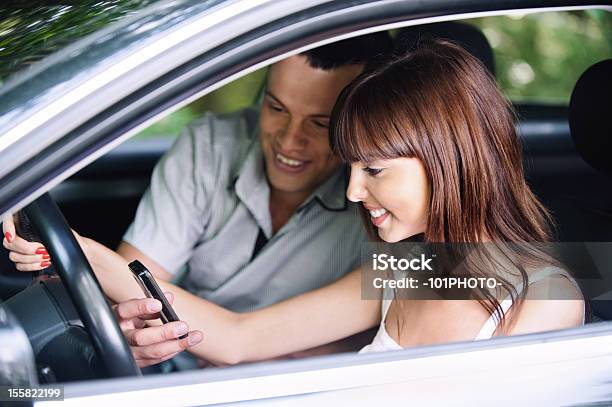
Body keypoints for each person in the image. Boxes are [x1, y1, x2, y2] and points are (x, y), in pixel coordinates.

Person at [7, 39, 584, 367]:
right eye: (352, 166)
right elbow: (238, 337)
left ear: (448, 161)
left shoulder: (545, 301)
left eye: (374, 170)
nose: (354, 192)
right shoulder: (407, 268)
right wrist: (81, 252)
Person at [3, 34, 392, 363]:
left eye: (321, 124)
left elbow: (241, 341)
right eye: (275, 107)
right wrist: (123, 313)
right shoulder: (211, 145)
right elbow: (139, 297)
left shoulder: (432, 262)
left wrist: (83, 253)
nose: (289, 141)